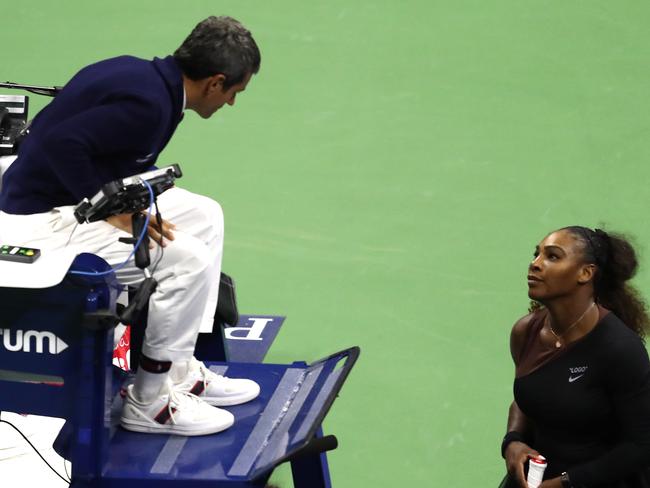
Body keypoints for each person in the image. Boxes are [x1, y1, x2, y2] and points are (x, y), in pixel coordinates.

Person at [0, 16, 262, 436]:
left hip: (71, 201)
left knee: (205, 216)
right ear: (215, 82)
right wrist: (106, 208)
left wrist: (132, 199)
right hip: (41, 221)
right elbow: (58, 143)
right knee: (185, 260)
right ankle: (151, 401)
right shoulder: (149, 105)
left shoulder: (147, 78)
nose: (231, 102)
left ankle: (179, 371)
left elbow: (102, 147)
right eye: (234, 91)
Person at [501, 226, 650, 488]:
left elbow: (641, 445)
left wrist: (565, 484)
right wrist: (512, 441)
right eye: (536, 255)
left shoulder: (619, 348)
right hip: (535, 480)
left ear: (586, 273)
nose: (535, 264)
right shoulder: (526, 331)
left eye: (553, 256)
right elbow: (527, 396)